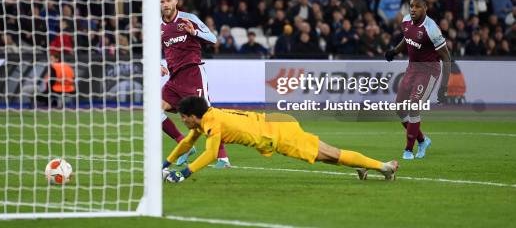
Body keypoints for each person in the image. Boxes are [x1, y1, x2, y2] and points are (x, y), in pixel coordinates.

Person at [162, 96, 398, 183]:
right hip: (275, 121)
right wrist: (167, 164)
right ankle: (360, 166)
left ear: (193, 116)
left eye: (184, 118)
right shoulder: (207, 118)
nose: (183, 121)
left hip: (278, 133)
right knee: (325, 156)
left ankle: (384, 167)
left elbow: (212, 154)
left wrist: (185, 172)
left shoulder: (212, 123)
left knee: (329, 154)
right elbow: (187, 142)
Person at [160, 0, 230, 168]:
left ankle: (223, 158)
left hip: (193, 75)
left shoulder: (188, 19)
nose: (165, 4)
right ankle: (184, 144)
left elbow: (213, 39)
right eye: (162, 1)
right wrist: (158, 64)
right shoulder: (158, 27)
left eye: (168, 0)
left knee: (205, 115)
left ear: (175, 1)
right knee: (153, 110)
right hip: (174, 80)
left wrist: (194, 32)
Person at [384, 0, 451, 160]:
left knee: (414, 107)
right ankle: (422, 140)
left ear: (425, 8)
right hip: (412, 68)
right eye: (411, 6)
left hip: (428, 71)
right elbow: (406, 39)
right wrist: (395, 51)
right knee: (399, 108)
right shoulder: (406, 20)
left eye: (417, 6)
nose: (413, 9)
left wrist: (443, 87)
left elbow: (446, 58)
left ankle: (408, 150)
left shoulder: (432, 29)